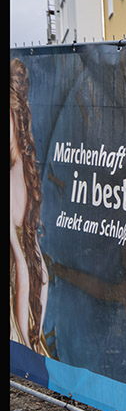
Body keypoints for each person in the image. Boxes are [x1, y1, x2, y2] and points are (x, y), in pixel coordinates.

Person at [10, 58, 51, 357]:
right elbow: (36, 271)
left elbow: (28, 268)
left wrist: (26, 341)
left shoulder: (17, 172)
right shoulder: (22, 168)